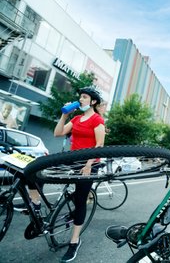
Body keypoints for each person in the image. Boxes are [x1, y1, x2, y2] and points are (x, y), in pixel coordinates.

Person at [54, 86, 105, 262]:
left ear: (93, 101)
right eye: (80, 97)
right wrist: (64, 115)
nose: (81, 100)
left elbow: (99, 145)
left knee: (81, 198)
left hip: (89, 163)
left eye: (84, 97)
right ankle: (36, 204)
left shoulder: (97, 119)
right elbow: (58, 133)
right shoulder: (76, 118)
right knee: (41, 172)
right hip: (73, 160)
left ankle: (74, 242)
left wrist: (89, 164)